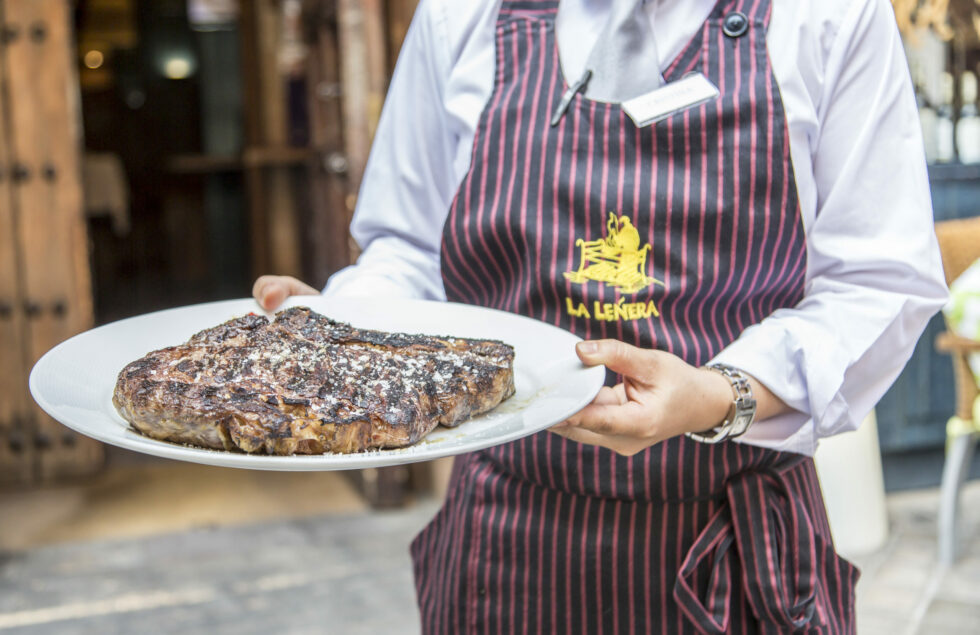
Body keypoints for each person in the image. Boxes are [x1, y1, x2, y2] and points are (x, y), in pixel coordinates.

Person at [254, 0, 948, 631]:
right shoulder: (459, 16)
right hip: (504, 541)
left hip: (736, 546)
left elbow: (875, 281)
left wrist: (722, 392)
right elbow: (409, 247)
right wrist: (347, 326)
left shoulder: (831, 15)